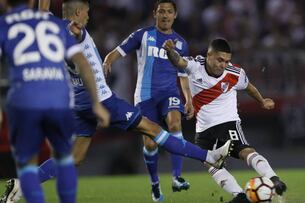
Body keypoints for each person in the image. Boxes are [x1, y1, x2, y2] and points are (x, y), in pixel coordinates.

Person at [0, 1, 232, 202]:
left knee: (75, 157)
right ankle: (209, 157)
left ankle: (20, 186)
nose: (89, 17)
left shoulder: (46, 28)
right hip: (101, 100)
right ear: (78, 14)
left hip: (79, 103)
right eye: (87, 13)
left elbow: (42, 11)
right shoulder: (74, 30)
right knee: (154, 129)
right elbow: (73, 31)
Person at [0, 0, 110, 202]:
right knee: (65, 158)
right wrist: (96, 102)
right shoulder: (56, 26)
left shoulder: (5, 25)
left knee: (27, 164)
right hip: (58, 97)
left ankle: (22, 190)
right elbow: (83, 64)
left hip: (25, 99)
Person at [163, 38, 287, 203]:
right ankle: (240, 196)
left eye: (227, 61)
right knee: (211, 165)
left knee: (244, 151)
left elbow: (249, 86)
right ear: (209, 55)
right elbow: (178, 61)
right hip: (203, 129)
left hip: (227, 123)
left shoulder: (234, 73)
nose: (223, 65)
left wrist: (262, 101)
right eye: (220, 60)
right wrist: (170, 51)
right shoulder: (195, 66)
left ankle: (273, 178)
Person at [103, 0, 193, 201]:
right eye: (161, 11)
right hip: (145, 96)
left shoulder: (181, 43)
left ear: (175, 15)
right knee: (150, 144)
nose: (165, 15)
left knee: (175, 122)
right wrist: (107, 60)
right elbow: (118, 51)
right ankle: (154, 184)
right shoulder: (142, 35)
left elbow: (183, 75)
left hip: (169, 93)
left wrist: (188, 99)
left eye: (169, 12)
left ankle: (177, 177)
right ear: (155, 13)